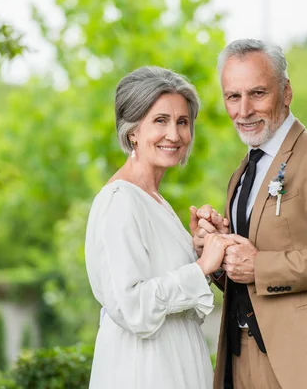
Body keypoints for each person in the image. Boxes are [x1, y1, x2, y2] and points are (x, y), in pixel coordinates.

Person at [191, 39, 307, 389]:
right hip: (241, 360)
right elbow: (244, 274)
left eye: (257, 93)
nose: (243, 110)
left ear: (287, 92)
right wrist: (215, 254)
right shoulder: (243, 171)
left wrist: (260, 265)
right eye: (233, 96)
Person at [85, 66, 232, 389]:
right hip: (144, 369)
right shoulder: (119, 200)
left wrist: (200, 251)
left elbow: (172, 291)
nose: (175, 135)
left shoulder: (155, 200)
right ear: (132, 130)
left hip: (175, 360)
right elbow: (130, 305)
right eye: (160, 120)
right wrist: (199, 268)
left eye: (183, 122)